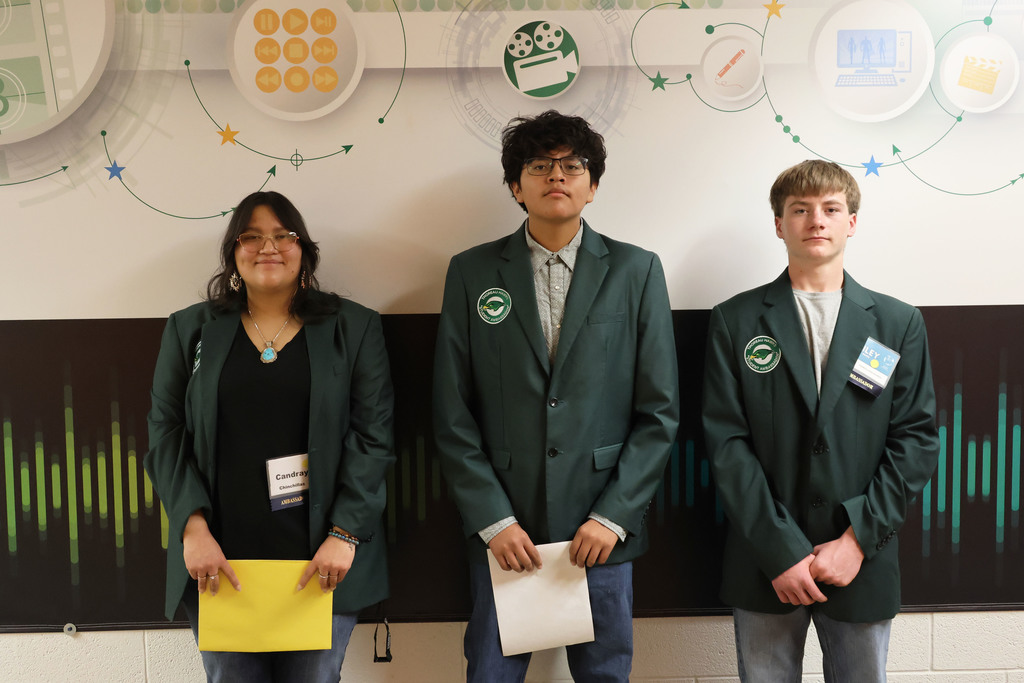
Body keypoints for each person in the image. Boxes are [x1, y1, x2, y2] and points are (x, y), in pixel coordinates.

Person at [433, 110, 680, 682]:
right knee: (490, 674)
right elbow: (452, 412)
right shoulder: (470, 272)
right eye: (540, 165)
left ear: (593, 185)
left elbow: (659, 413)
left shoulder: (636, 271)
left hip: (600, 530)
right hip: (505, 532)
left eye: (573, 165)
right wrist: (493, 520)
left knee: (605, 676)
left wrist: (614, 517)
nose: (557, 176)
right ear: (515, 186)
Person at [702, 160, 940, 682]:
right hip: (765, 563)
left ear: (851, 222)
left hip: (861, 561)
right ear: (779, 223)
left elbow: (915, 440)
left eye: (831, 209)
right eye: (801, 210)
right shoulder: (735, 320)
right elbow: (727, 444)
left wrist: (856, 541)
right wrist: (780, 551)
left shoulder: (896, 324)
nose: (816, 220)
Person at [144, 191, 395, 683]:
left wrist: (345, 535)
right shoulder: (190, 329)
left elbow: (374, 437)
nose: (268, 247)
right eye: (252, 236)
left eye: (284, 235)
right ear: (233, 252)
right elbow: (164, 430)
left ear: (305, 250)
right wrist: (192, 528)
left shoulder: (354, 327)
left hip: (322, 557)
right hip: (220, 558)